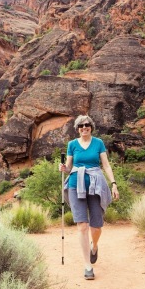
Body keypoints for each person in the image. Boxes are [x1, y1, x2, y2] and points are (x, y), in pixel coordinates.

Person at [59, 114, 119, 280]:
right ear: (77, 129)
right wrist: (63, 168)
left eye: (87, 125)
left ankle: (95, 246)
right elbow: (69, 167)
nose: (84, 127)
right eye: (80, 126)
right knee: (82, 226)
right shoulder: (72, 144)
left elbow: (105, 165)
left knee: (96, 226)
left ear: (91, 126)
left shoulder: (98, 143)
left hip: (96, 184)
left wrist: (113, 183)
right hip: (75, 184)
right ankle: (87, 266)